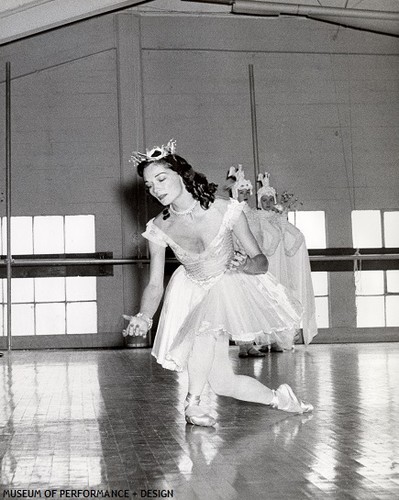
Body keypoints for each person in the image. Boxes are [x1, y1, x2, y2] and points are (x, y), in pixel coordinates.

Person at [123, 140, 313, 427]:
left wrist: (246, 264)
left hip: (227, 286)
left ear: (181, 174)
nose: (156, 189)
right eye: (149, 185)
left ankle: (192, 405)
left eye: (161, 179)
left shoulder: (227, 210)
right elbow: (153, 284)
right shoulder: (158, 227)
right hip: (191, 289)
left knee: (203, 330)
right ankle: (282, 399)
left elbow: (261, 262)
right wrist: (144, 316)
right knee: (223, 383)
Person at [257, 172, 318, 346]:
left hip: (279, 264)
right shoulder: (255, 217)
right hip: (263, 265)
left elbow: (298, 236)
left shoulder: (279, 218)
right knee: (263, 299)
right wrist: (265, 251)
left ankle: (279, 340)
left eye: (270, 199)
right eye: (264, 200)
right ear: (259, 201)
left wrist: (289, 251)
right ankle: (263, 340)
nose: (267, 203)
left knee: (279, 301)